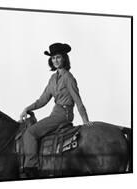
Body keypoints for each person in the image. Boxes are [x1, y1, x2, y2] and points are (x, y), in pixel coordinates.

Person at [20, 43, 93, 177]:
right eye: (53, 58)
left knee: (30, 133)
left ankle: (31, 167)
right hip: (55, 112)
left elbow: (78, 100)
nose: (55, 60)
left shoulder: (68, 77)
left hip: (64, 114)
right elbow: (42, 100)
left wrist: (85, 120)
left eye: (58, 57)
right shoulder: (53, 78)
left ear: (64, 58)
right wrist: (27, 108)